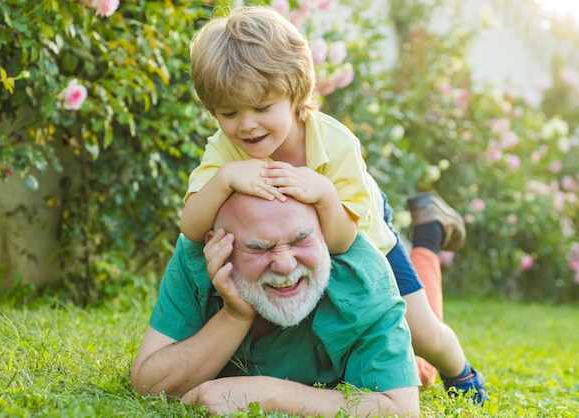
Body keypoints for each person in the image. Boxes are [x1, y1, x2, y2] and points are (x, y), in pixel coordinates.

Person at [180, 6, 490, 405]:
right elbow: (190, 227)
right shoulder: (225, 150)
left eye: (261, 108)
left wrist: (324, 193)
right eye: (229, 113)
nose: (247, 125)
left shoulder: (335, 143)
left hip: (363, 244)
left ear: (294, 95)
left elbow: (344, 242)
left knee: (422, 332)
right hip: (297, 256)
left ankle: (461, 372)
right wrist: (224, 179)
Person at [131, 193, 421, 417]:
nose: (284, 265)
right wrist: (234, 315)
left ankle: (429, 237)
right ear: (219, 246)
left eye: (302, 240)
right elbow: (149, 387)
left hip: (403, 320)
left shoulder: (367, 280)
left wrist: (269, 393)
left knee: (426, 350)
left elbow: (402, 410)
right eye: (259, 248)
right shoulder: (196, 260)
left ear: (324, 234)